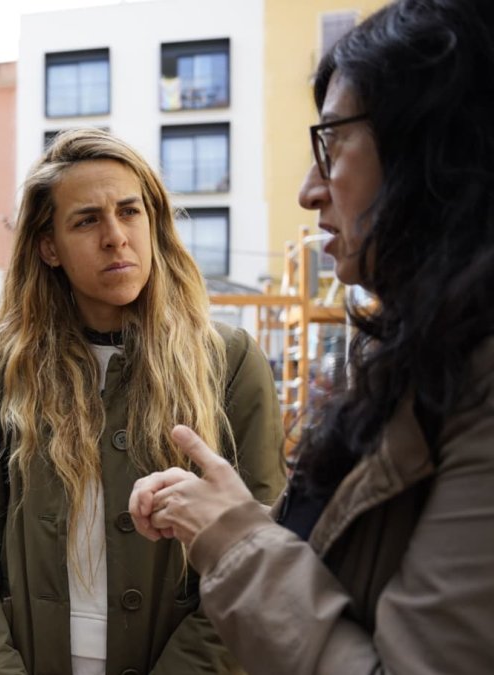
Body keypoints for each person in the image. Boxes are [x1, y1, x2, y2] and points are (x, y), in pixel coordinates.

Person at [129, 1, 494, 672]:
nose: (308, 190)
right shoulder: (430, 355)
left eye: (330, 143)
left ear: (431, 146)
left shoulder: (474, 382)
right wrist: (234, 517)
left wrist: (234, 538)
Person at [0, 128, 287, 675]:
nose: (116, 236)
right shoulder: (4, 378)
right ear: (48, 247)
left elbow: (259, 555)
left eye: (129, 212)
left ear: (153, 223)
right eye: (87, 220)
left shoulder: (229, 362)